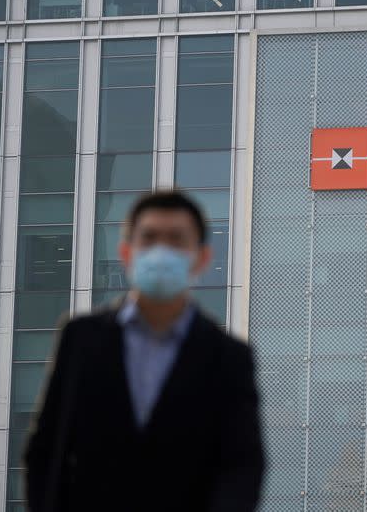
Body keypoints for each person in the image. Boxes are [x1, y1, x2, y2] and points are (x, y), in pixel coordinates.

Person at [24, 190, 264, 512]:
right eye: (149, 238)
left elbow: (243, 463)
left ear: (202, 258)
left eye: (177, 240)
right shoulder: (80, 339)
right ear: (127, 253)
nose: (161, 251)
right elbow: (47, 450)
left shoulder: (229, 357)